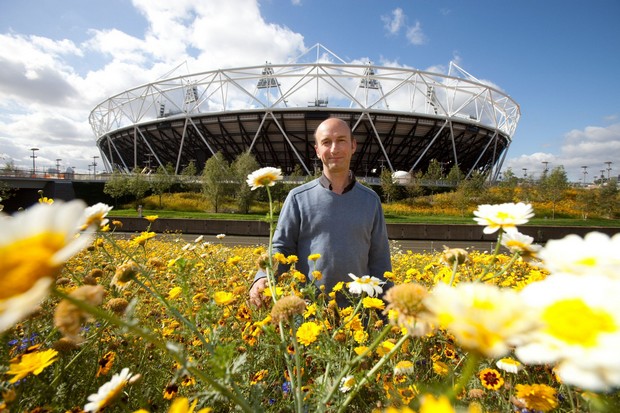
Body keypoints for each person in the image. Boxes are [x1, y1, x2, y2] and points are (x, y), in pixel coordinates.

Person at [249, 117, 392, 308]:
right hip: (310, 313)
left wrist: (387, 314)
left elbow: (380, 261)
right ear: (317, 150)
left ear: (353, 146)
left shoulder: (371, 200)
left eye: (341, 140)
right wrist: (262, 277)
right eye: (326, 142)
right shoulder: (298, 198)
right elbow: (281, 249)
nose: (334, 149)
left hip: (359, 314)